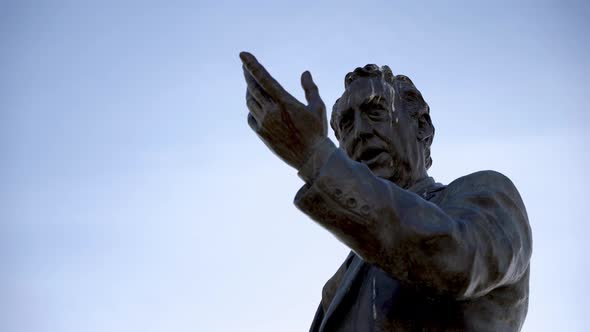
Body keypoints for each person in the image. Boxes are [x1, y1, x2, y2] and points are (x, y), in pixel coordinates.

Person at [240, 51, 532, 332]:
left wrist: (316, 158)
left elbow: (453, 262)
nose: (360, 132)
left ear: (422, 128)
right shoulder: (338, 286)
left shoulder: (485, 193)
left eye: (375, 112)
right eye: (347, 124)